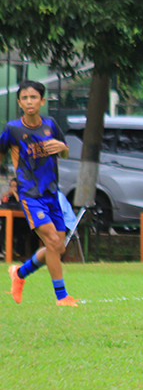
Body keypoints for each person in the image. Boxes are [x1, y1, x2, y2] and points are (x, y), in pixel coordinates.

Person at [1, 79, 78, 306]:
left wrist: (63, 148)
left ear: (42, 101)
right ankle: (62, 297)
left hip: (52, 194)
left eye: (33, 97)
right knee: (52, 241)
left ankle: (20, 273)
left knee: (59, 247)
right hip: (29, 195)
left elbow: (64, 152)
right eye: (24, 98)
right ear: (19, 102)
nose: (29, 101)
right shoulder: (12, 129)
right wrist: (10, 182)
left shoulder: (51, 125)